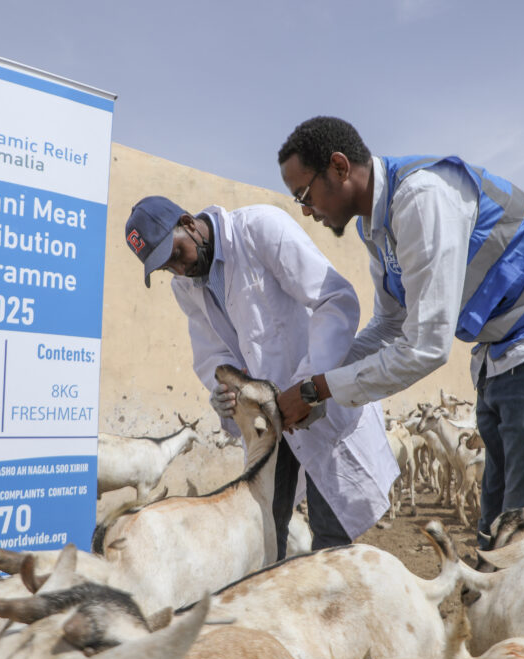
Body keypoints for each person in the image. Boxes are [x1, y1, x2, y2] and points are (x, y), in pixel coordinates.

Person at [275, 116, 524, 547]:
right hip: (509, 348)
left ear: (340, 167)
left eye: (304, 195)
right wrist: (311, 381)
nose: (308, 211)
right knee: (494, 527)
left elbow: (425, 347)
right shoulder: (378, 231)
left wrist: (316, 390)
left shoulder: (421, 199)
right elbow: (390, 325)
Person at [124, 195, 399, 558]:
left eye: (176, 254)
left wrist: (308, 388)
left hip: (319, 402)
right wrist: (225, 390)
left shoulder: (260, 230)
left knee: (329, 538)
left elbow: (334, 300)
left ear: (189, 224)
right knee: (264, 528)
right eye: (165, 268)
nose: (178, 270)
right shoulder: (186, 288)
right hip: (269, 421)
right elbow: (212, 354)